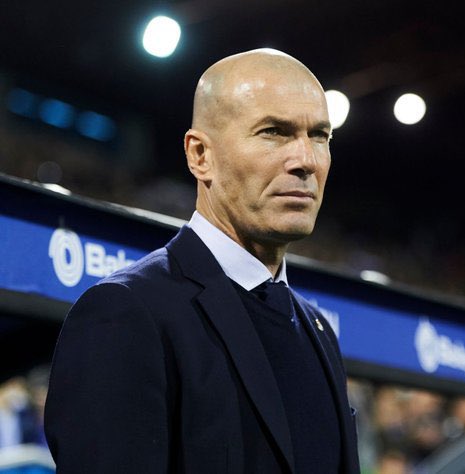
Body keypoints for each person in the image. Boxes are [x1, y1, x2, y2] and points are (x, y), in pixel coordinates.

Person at [44, 48, 360, 473]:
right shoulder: (127, 312)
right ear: (200, 155)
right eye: (273, 132)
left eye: (319, 136)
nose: (306, 160)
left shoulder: (319, 332)